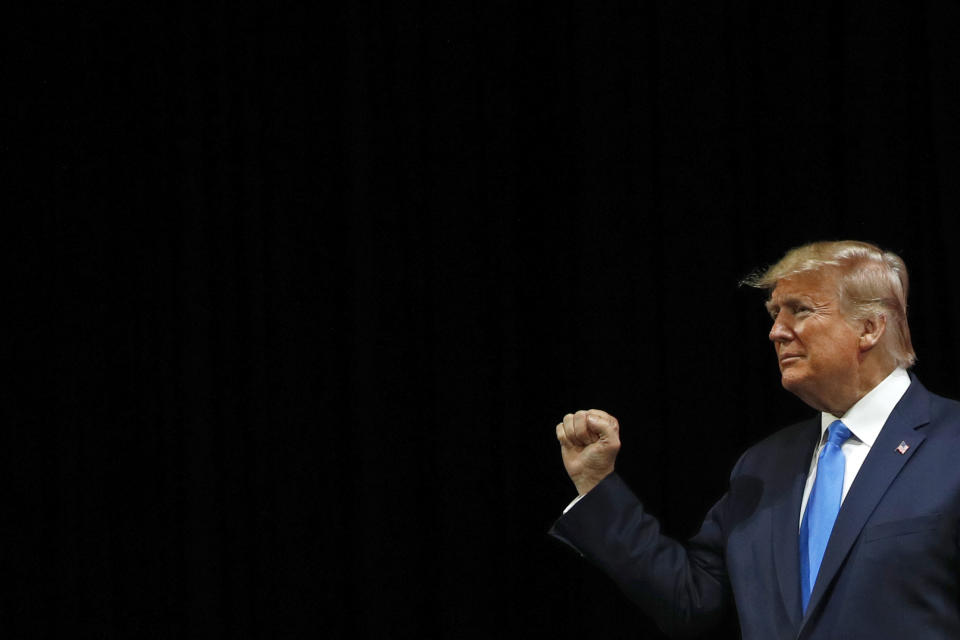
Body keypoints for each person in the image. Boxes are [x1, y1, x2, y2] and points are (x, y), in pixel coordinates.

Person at [550, 240, 960, 640]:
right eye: (774, 314)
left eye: (799, 310)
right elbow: (691, 602)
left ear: (869, 327)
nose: (776, 332)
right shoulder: (763, 467)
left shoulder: (951, 442)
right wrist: (596, 482)